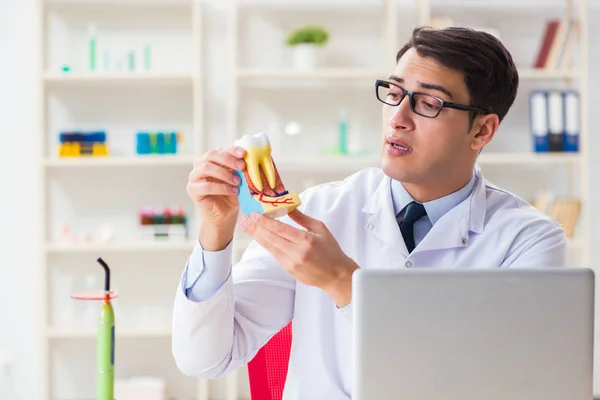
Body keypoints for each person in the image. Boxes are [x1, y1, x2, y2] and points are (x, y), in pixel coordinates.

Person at [172, 26, 567, 399]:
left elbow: (498, 384)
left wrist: (343, 282)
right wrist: (215, 234)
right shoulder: (319, 209)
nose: (398, 118)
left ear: (482, 131)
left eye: (428, 103)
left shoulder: (527, 240)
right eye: (394, 93)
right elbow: (205, 358)